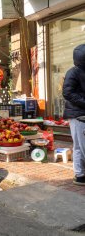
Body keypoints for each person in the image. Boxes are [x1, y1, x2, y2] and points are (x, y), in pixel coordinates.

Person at [63, 44, 85, 186]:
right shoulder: (73, 72)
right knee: (80, 146)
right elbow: (68, 93)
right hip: (77, 115)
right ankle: (80, 175)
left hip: (82, 113)